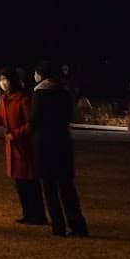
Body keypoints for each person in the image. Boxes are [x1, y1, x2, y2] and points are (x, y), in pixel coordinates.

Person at [30, 58, 89, 237]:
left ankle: (58, 225)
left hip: (44, 142)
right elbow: (69, 116)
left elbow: (34, 119)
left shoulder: (40, 93)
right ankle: (77, 224)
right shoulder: (64, 92)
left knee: (49, 186)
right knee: (66, 185)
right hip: (62, 141)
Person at [0, 68, 46, 225]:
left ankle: (38, 215)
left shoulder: (22, 100)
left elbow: (31, 123)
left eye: (5, 79)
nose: (3, 83)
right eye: (0, 80)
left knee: (31, 182)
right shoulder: (3, 99)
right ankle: (28, 213)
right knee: (20, 182)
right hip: (12, 146)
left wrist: (16, 134)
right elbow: (2, 117)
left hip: (25, 147)